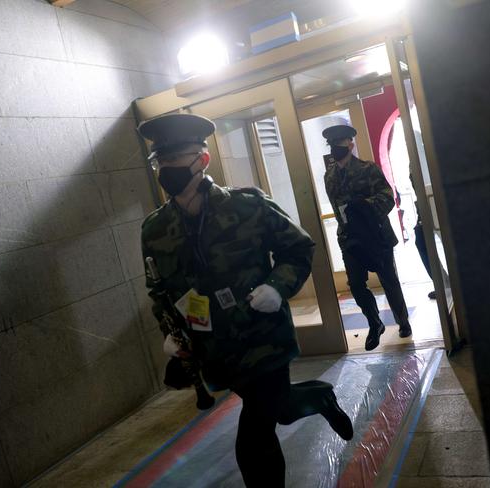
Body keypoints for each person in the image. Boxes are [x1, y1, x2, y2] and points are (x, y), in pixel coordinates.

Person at [139, 113, 353, 487]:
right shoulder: (155, 230)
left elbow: (298, 248)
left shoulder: (247, 206)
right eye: (161, 162)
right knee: (280, 410)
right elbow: (159, 288)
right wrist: (170, 333)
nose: (168, 170)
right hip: (214, 348)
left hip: (262, 337)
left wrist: (277, 287)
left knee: (255, 430)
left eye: (177, 160)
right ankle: (320, 397)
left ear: (202, 161)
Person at [322, 124, 412, 351]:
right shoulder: (329, 176)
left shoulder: (367, 169)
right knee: (355, 285)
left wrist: (365, 206)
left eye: (339, 144)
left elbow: (387, 196)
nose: (335, 149)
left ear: (350, 145)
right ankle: (375, 323)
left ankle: (403, 321)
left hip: (376, 236)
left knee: (389, 280)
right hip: (349, 238)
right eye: (332, 145)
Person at [409, 173, 437, 299]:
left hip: (431, 199)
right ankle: (441, 283)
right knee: (421, 241)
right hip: (424, 204)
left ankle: (443, 283)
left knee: (423, 243)